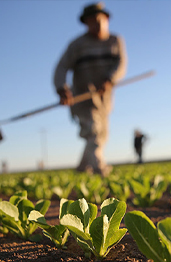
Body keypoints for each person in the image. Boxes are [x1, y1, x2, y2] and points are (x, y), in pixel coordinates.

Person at [53, 2, 127, 176]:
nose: (98, 24)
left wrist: (110, 79)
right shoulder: (77, 45)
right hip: (82, 97)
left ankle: (81, 168)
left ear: (107, 19)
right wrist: (61, 88)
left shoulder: (115, 41)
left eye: (100, 20)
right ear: (86, 23)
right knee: (93, 131)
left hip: (104, 99)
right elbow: (61, 67)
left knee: (101, 134)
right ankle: (99, 168)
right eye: (93, 21)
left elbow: (121, 64)